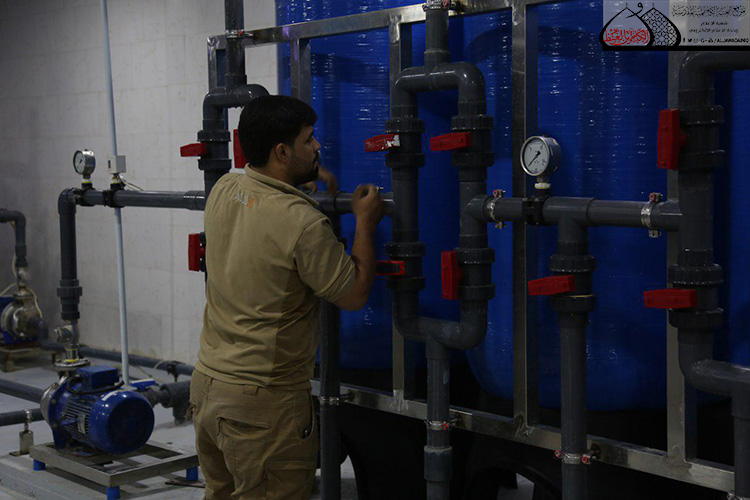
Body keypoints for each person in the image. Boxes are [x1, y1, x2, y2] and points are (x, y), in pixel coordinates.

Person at [190, 94, 385, 500]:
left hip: (209, 387)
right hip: (263, 406)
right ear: (281, 152)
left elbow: (265, 212)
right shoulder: (303, 224)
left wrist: (298, 183)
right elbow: (353, 294)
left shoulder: (224, 187)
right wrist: (365, 223)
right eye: (308, 139)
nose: (317, 146)